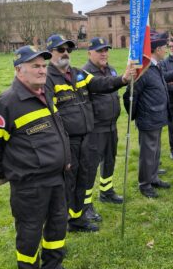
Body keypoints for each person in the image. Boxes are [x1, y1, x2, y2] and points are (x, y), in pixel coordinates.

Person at [0, 45, 79, 269]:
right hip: (29, 183)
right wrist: (2, 173)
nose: (41, 70)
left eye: (43, 66)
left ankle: (53, 266)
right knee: (30, 230)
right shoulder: (7, 102)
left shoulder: (45, 93)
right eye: (35, 66)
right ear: (18, 70)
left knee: (58, 223)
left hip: (57, 177)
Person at [45, 34, 134, 233]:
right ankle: (62, 224)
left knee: (82, 180)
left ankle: (78, 220)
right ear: (50, 53)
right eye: (60, 50)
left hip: (86, 137)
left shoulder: (78, 74)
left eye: (68, 49)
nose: (65, 53)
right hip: (68, 142)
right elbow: (49, 114)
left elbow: (100, 84)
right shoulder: (47, 78)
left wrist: (123, 79)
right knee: (67, 185)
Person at [123, 32, 173, 198]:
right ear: (157, 49)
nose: (166, 50)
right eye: (164, 48)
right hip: (148, 118)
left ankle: (153, 177)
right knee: (148, 153)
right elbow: (130, 95)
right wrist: (135, 115)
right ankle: (145, 184)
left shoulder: (155, 66)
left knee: (155, 151)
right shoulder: (143, 69)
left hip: (157, 116)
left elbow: (163, 80)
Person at [82, 37, 124, 207]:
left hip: (111, 126)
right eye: (100, 50)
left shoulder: (111, 70)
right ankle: (85, 205)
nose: (104, 53)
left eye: (106, 50)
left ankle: (107, 191)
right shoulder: (85, 74)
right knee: (90, 167)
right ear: (89, 53)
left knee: (109, 160)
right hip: (95, 129)